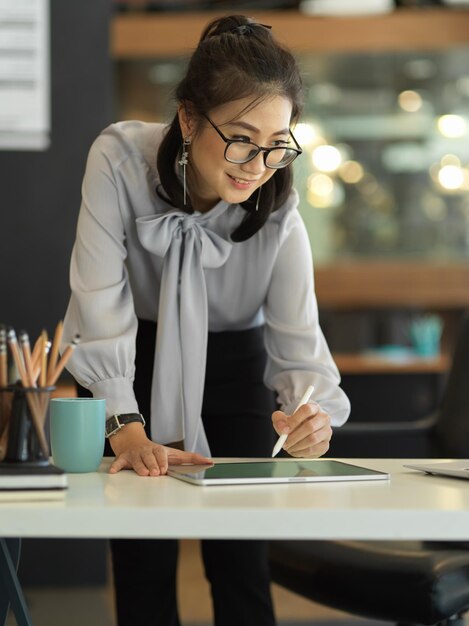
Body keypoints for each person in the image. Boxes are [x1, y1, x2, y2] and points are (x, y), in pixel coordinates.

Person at [62, 13, 350, 626]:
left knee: (242, 562)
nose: (258, 164)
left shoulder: (279, 212)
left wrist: (309, 417)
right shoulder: (118, 160)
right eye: (243, 138)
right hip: (130, 359)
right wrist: (124, 423)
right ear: (189, 118)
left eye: (278, 142)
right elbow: (99, 303)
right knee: (142, 559)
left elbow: (300, 348)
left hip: (234, 364)